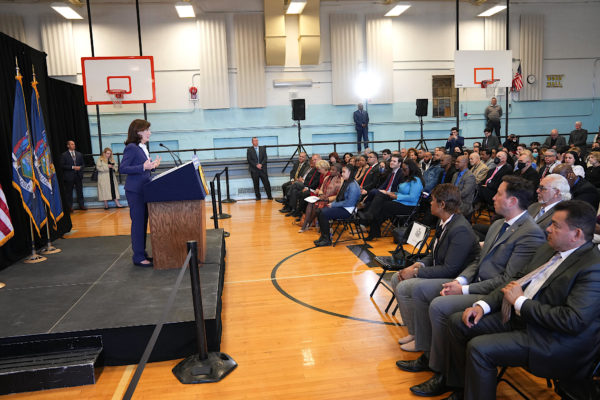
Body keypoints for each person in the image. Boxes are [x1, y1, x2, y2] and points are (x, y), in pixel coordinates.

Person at [400, 176, 545, 397]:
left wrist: (465, 290)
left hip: (492, 294)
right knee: (428, 293)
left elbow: (508, 279)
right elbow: (478, 261)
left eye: (498, 194)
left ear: (513, 201)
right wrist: (460, 281)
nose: (493, 197)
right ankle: (431, 357)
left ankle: (441, 372)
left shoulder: (530, 233)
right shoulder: (498, 223)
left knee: (439, 306)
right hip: (474, 283)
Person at [445, 200, 600, 400]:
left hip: (553, 340)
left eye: (555, 226)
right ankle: (462, 389)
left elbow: (572, 320)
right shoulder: (548, 248)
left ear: (577, 234)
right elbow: (515, 281)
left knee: (479, 348)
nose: (547, 229)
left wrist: (520, 303)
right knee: (458, 322)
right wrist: (483, 306)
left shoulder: (592, 267)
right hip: (523, 320)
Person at [391, 184, 480, 352]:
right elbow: (434, 253)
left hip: (455, 279)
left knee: (406, 286)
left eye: (432, 201)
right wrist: (418, 264)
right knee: (397, 278)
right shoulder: (444, 222)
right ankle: (415, 332)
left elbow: (450, 269)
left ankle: (422, 339)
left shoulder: (460, 229)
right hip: (443, 270)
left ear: (442, 204)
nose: (430, 204)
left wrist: (416, 272)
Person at [119, 119, 161, 267]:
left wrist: (152, 166)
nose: (149, 133)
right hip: (135, 191)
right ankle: (138, 257)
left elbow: (144, 167)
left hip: (144, 190)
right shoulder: (131, 147)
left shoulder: (142, 147)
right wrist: (143, 167)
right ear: (138, 132)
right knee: (138, 224)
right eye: (146, 130)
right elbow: (123, 168)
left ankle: (142, 253)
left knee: (143, 223)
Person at [366, 159, 424, 241]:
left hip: (410, 206)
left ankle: (372, 225)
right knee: (381, 196)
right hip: (401, 202)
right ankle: (371, 220)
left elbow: (412, 197)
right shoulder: (407, 178)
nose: (403, 171)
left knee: (383, 206)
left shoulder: (416, 180)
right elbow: (402, 193)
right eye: (402, 169)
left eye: (405, 169)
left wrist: (396, 196)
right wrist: (392, 193)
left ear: (411, 169)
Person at [314, 165, 361, 247]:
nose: (341, 174)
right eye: (341, 172)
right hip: (342, 206)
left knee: (324, 213)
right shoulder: (347, 182)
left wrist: (333, 204)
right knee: (319, 211)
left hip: (348, 210)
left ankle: (327, 240)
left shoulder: (353, 185)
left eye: (344, 172)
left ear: (350, 173)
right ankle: (323, 237)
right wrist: (334, 204)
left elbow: (349, 203)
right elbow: (339, 197)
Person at [300, 163, 343, 233]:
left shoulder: (341, 181)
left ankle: (308, 224)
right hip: (323, 198)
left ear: (338, 172)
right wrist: (321, 194)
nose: (331, 171)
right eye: (330, 169)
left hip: (332, 201)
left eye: (333, 170)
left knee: (315, 205)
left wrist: (328, 199)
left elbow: (339, 195)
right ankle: (306, 224)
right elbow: (321, 189)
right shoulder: (326, 178)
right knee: (310, 203)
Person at [60, 140, 86, 211]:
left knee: (80, 191)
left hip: (78, 176)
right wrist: (72, 167)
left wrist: (80, 167)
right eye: (71, 144)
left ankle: (82, 205)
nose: (73, 145)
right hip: (69, 176)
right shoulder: (64, 155)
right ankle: (69, 207)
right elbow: (62, 165)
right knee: (69, 192)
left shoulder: (79, 154)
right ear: (68, 146)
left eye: (74, 144)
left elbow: (83, 164)